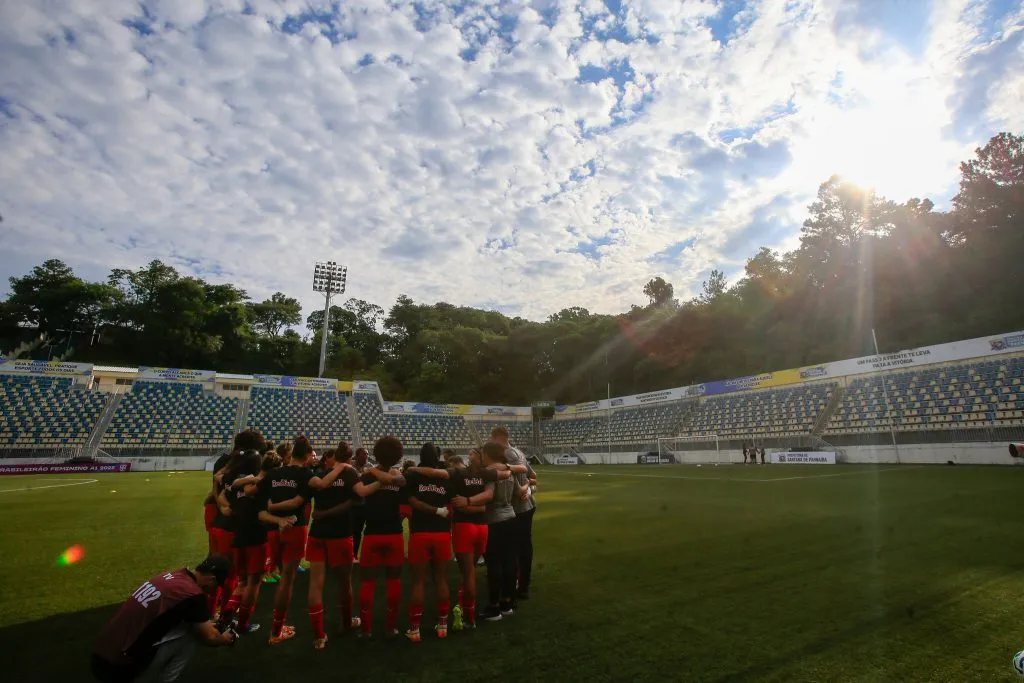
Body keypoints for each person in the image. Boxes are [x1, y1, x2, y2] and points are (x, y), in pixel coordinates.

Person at [407, 447, 520, 630]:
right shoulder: (483, 474)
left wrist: (412, 469)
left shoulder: (456, 476)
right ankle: (469, 617)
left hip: (463, 528)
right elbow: (488, 500)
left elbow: (437, 478)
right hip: (482, 527)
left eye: (475, 453)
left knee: (464, 574)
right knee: (470, 572)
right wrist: (513, 470)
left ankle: (462, 617)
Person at [91, 555, 235, 683]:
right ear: (211, 579)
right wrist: (226, 638)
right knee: (193, 633)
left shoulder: (174, 576)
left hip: (100, 654)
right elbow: (211, 637)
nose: (214, 590)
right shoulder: (194, 595)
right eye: (216, 585)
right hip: (119, 666)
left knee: (189, 625)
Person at [257, 435, 315, 646]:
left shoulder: (273, 474)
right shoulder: (306, 475)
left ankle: (279, 626)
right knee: (286, 581)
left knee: (282, 575)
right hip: (294, 529)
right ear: (307, 455)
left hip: (273, 531)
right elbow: (299, 501)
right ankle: (276, 631)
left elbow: (260, 509)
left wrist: (276, 517)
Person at [306, 442, 362, 649]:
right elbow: (358, 497)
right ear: (349, 458)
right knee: (344, 582)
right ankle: (347, 622)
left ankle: (319, 636)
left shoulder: (317, 475)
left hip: (317, 533)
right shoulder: (350, 474)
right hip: (341, 534)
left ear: (333, 457)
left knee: (315, 584)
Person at [353, 436, 407, 638]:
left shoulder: (367, 476)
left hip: (372, 535)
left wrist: (373, 472)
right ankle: (391, 627)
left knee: (368, 583)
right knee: (394, 581)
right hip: (394, 534)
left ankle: (366, 629)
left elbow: (360, 494)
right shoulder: (399, 477)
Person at [401, 443, 454, 642]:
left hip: (420, 534)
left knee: (418, 582)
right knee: (440, 578)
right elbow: (451, 504)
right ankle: (442, 625)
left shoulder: (412, 476)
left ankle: (414, 629)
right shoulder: (446, 478)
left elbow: (410, 501)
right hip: (441, 534)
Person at [459, 441, 517, 621]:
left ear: (489, 454)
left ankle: (494, 607)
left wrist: (467, 501)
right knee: (509, 562)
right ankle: (507, 602)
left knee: (494, 563)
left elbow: (488, 495)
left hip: (494, 519)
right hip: (511, 516)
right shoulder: (509, 470)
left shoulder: (492, 472)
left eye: (483, 453)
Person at [490, 426, 537, 601]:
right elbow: (534, 476)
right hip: (528, 506)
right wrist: (529, 490)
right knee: (525, 547)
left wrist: (523, 489)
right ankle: (523, 585)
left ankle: (516, 587)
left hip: (517, 508)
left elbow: (517, 485)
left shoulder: (508, 455)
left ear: (497, 438)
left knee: (515, 549)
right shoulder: (519, 452)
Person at [350, 447, 370, 564]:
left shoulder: (370, 467)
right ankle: (350, 555)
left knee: (360, 531)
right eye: (364, 454)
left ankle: (355, 555)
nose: (366, 456)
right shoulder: (351, 468)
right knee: (351, 532)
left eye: (367, 454)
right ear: (357, 456)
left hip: (364, 505)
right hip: (352, 504)